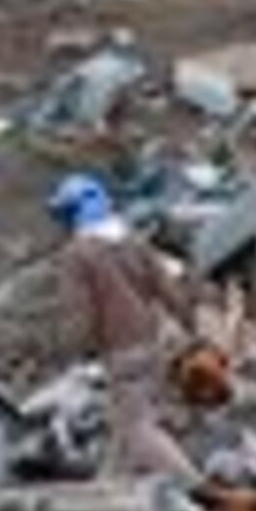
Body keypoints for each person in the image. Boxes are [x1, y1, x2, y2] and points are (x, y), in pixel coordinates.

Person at [51, 174, 201, 486]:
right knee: (123, 423)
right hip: (152, 343)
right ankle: (106, 487)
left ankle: (199, 490)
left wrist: (71, 353)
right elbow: (168, 289)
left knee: (139, 431)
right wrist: (190, 325)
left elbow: (81, 315)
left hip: (122, 352)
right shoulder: (133, 241)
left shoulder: (78, 255)